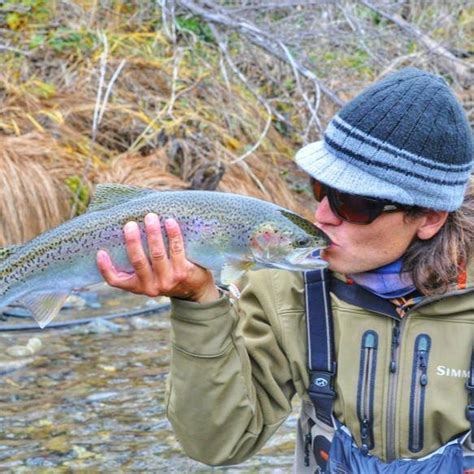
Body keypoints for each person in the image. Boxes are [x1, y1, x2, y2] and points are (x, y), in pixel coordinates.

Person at [96, 68, 474, 472]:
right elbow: (218, 443)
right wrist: (198, 306)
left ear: (429, 218)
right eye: (321, 190)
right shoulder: (285, 289)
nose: (322, 216)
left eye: (354, 205)